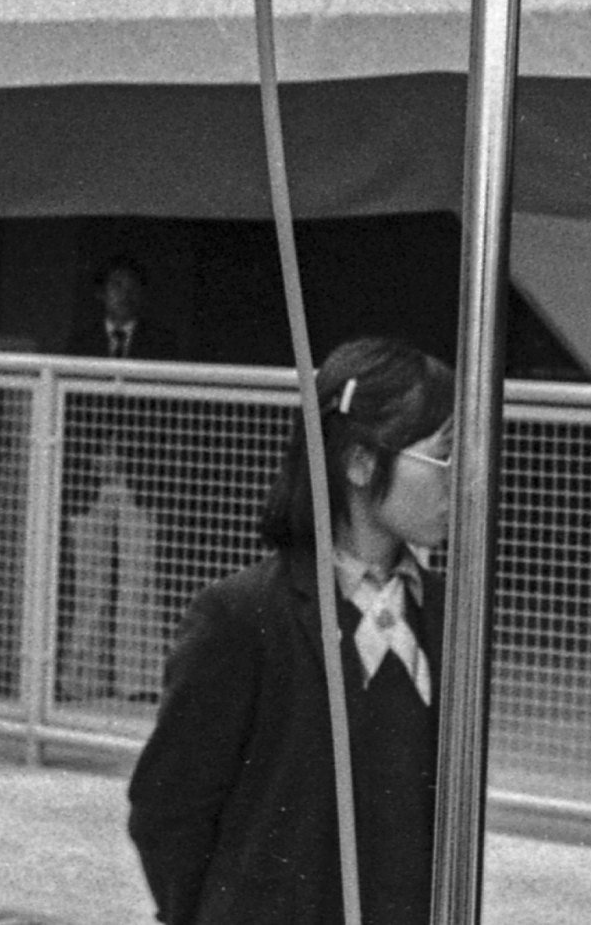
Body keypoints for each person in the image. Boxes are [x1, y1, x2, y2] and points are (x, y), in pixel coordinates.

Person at [127, 336, 454, 925]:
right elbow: (167, 811)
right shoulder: (241, 617)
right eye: (443, 455)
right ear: (359, 462)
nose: (463, 480)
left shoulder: (448, 615)